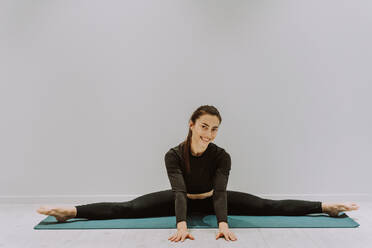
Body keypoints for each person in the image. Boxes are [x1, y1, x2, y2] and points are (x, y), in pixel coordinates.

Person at [37, 105, 360, 242]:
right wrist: (181, 224)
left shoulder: (222, 156)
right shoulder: (173, 155)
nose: (209, 133)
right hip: (183, 201)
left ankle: (324, 207)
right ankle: (71, 212)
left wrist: (222, 224)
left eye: (214, 129)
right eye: (204, 126)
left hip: (211, 200)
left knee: (265, 205)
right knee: (129, 208)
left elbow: (220, 193)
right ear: (191, 125)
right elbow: (179, 193)